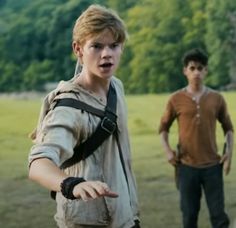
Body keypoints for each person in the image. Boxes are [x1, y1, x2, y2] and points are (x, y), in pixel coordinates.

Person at [28, 4, 140, 228]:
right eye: (96, 46)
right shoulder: (68, 107)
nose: (107, 53)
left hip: (124, 217)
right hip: (87, 221)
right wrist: (71, 184)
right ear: (78, 50)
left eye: (114, 45)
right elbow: (38, 164)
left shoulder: (116, 87)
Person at [158, 48, 234, 228]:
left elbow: (229, 128)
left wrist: (229, 152)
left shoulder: (217, 98)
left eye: (200, 68)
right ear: (185, 70)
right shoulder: (176, 99)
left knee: (219, 217)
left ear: (206, 70)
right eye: (192, 68)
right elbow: (163, 128)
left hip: (213, 167)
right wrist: (168, 151)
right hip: (186, 167)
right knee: (189, 216)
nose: (196, 72)